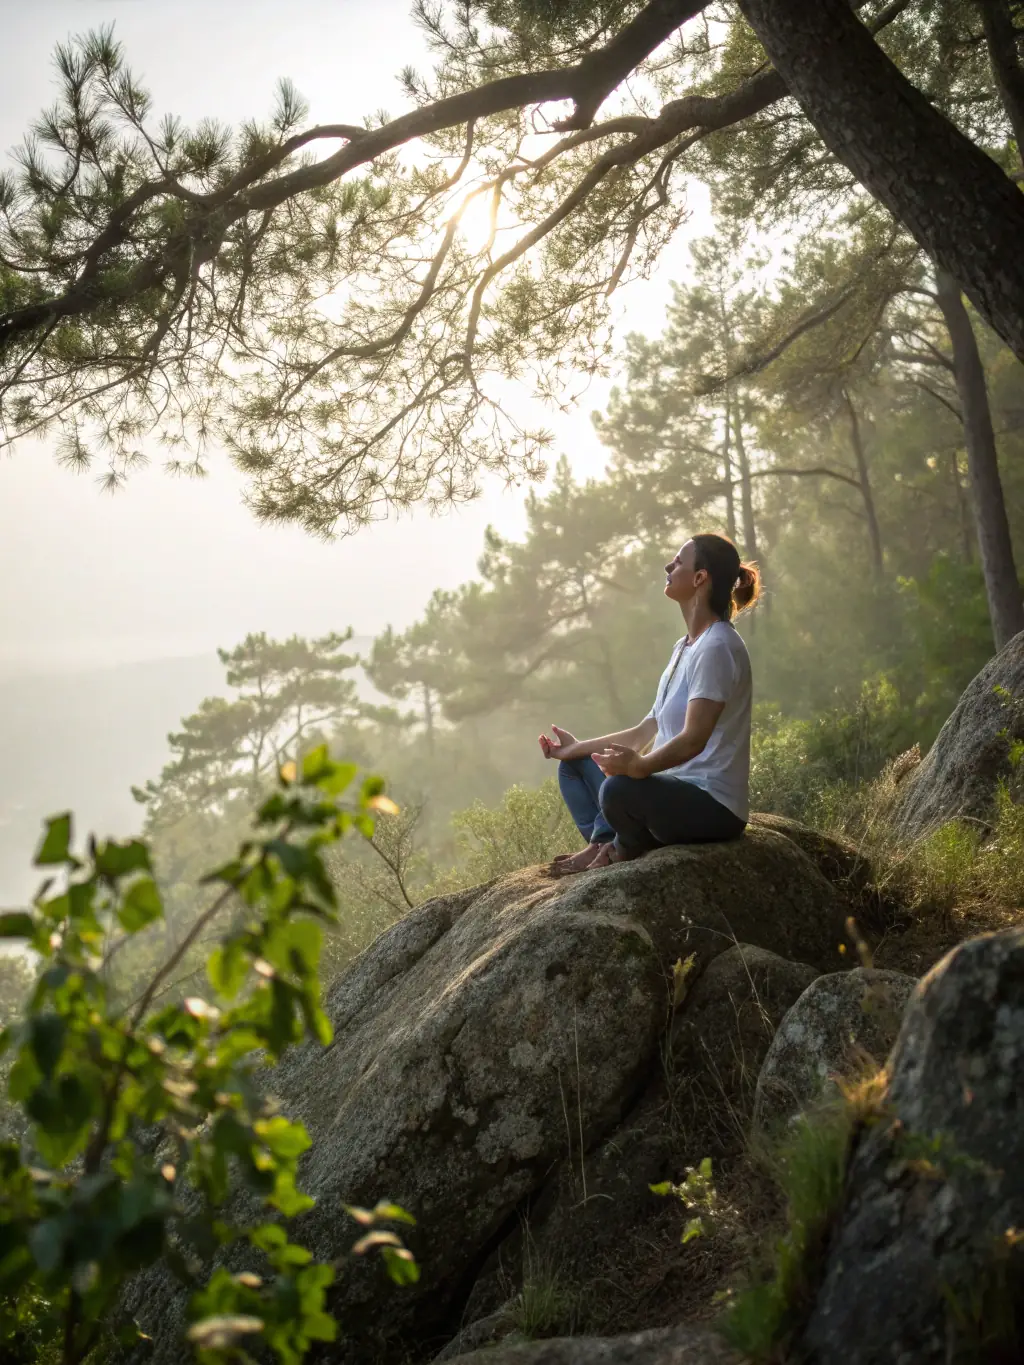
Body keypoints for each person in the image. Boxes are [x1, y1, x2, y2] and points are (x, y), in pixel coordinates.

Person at [539, 533, 760, 872]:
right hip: (671, 792)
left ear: (700, 579)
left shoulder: (716, 647)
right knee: (574, 768)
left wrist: (639, 768)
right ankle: (605, 842)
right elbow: (645, 731)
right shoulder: (683, 647)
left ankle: (622, 842)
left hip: (712, 806)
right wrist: (576, 749)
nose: (668, 566)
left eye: (678, 562)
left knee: (618, 790)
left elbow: (694, 739)